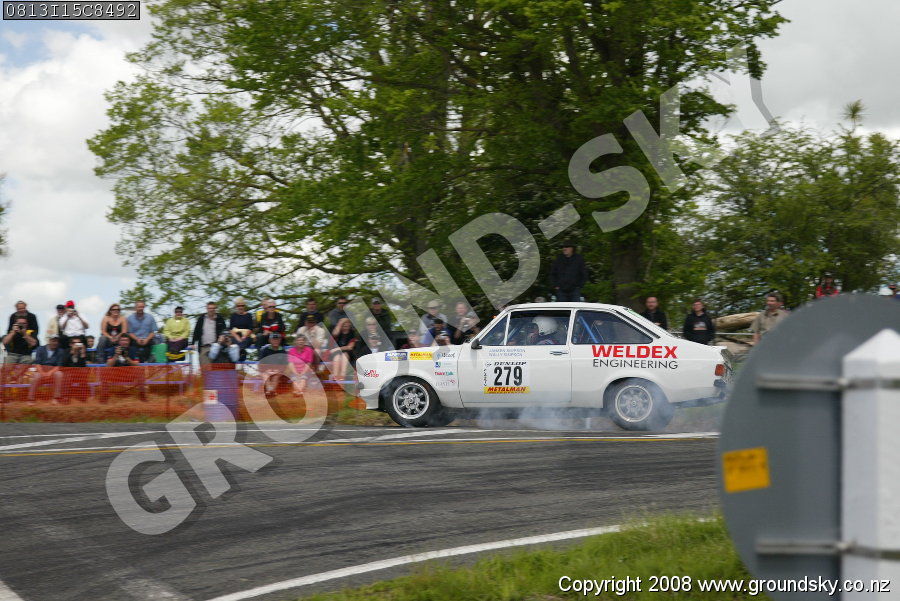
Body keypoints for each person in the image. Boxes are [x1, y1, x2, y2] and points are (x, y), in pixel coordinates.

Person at [102, 335, 146, 401]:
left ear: (129, 341)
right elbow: (109, 365)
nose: (124, 342)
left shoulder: (133, 349)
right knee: (104, 371)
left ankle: (142, 395)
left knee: (140, 371)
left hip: (129, 375)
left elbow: (136, 364)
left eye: (126, 340)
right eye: (122, 340)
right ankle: (105, 396)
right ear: (119, 341)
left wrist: (126, 357)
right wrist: (116, 355)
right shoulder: (113, 349)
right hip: (116, 375)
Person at [28, 334, 65, 403]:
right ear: (49, 341)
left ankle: (56, 398)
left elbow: (59, 366)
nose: (55, 343)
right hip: (41, 370)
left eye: (56, 341)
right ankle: (31, 399)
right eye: (53, 341)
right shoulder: (40, 349)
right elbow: (37, 363)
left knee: (59, 374)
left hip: (53, 371)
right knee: (36, 376)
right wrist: (43, 373)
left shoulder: (60, 351)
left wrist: (50, 373)